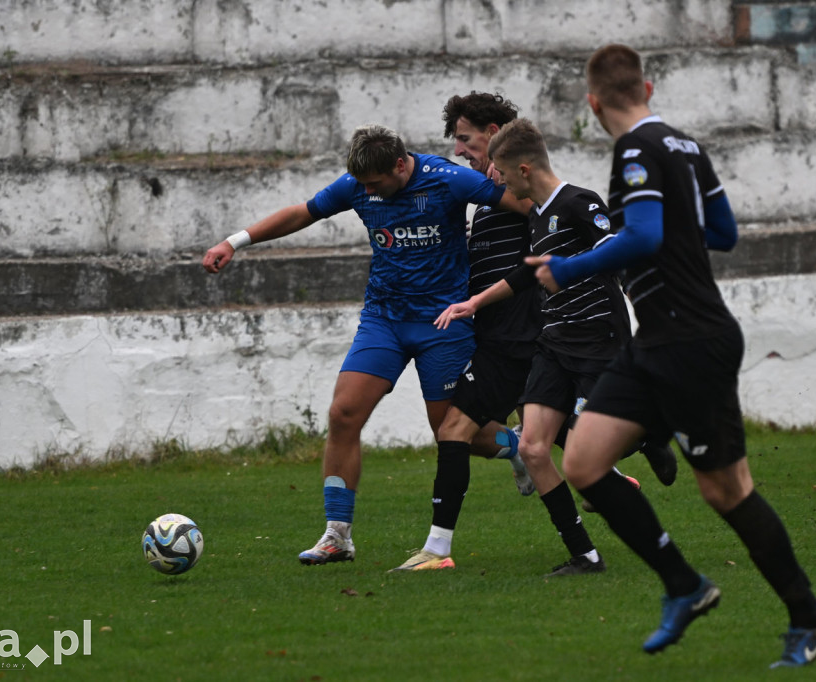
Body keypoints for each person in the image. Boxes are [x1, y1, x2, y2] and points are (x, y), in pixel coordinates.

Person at [526, 43, 816, 667]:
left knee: (728, 492)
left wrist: (569, 266)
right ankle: (684, 585)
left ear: (593, 104)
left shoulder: (637, 149)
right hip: (661, 339)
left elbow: (643, 234)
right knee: (584, 460)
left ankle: (810, 617)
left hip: (689, 340)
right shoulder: (687, 147)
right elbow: (722, 233)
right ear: (650, 87)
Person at [203, 123, 530, 566]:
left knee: (454, 433)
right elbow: (304, 211)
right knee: (343, 414)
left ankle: (520, 448)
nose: (367, 190)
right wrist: (235, 241)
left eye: (375, 183)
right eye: (362, 184)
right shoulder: (359, 184)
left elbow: (527, 203)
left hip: (443, 323)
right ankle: (337, 535)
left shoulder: (448, 179)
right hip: (384, 321)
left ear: (400, 164)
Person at [433, 116, 662, 577]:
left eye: (497, 170)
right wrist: (475, 301)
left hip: (599, 340)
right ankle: (585, 554)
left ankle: (652, 426)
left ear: (521, 170)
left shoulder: (580, 202)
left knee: (584, 459)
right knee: (534, 449)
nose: (491, 180)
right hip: (553, 343)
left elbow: (622, 254)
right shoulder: (536, 215)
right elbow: (527, 273)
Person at [391, 92, 543, 572]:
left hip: (531, 343)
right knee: (459, 432)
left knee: (571, 441)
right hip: (497, 341)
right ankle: (438, 550)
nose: (458, 150)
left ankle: (645, 443)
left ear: (494, 134)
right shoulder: (487, 197)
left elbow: (563, 251)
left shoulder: (530, 196)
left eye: (464, 139)